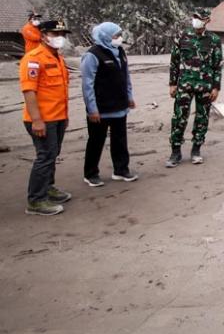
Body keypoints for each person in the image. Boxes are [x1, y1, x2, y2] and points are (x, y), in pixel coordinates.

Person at [19, 20, 72, 216]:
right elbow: (29, 91)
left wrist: (64, 117)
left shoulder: (58, 57)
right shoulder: (33, 59)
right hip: (42, 119)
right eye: (54, 33)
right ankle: (36, 200)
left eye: (63, 35)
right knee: (45, 157)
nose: (60, 38)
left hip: (58, 116)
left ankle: (48, 188)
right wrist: (37, 120)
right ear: (42, 35)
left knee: (52, 155)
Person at [81, 23, 138, 187]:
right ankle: (91, 173)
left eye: (119, 35)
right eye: (115, 36)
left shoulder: (120, 51)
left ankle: (121, 170)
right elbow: (87, 85)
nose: (119, 39)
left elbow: (125, 75)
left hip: (120, 106)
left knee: (120, 140)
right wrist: (92, 109)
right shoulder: (92, 55)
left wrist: (129, 96)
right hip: (101, 108)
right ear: (105, 36)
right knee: (96, 141)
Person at [166, 8, 222, 168]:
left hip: (205, 86)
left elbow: (217, 65)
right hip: (184, 84)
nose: (196, 20)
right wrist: (172, 83)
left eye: (200, 18)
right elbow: (174, 62)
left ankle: (196, 149)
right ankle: (175, 152)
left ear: (207, 21)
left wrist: (216, 87)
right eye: (195, 17)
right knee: (179, 117)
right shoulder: (182, 36)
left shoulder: (214, 40)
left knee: (202, 117)